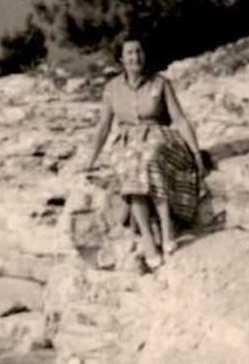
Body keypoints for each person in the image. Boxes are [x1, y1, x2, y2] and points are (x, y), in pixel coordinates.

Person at [81, 37, 204, 267]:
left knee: (149, 158)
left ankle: (167, 228)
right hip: (126, 141)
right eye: (129, 53)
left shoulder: (160, 83)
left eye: (138, 52)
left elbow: (179, 119)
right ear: (121, 59)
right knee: (131, 166)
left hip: (159, 136)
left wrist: (196, 153)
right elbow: (104, 127)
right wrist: (91, 159)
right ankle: (148, 238)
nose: (135, 57)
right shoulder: (112, 89)